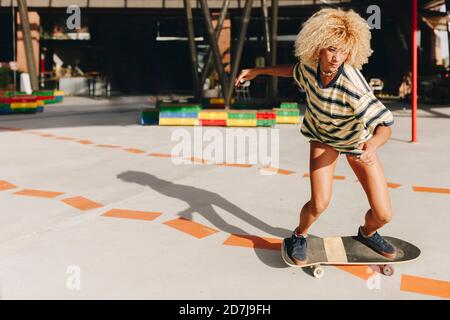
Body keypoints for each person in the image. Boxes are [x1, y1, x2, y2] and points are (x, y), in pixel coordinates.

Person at [235, 8, 397, 265]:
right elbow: (293, 70)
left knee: (384, 214)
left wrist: (372, 146)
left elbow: (385, 124)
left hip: (358, 142)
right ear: (318, 47)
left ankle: (367, 233)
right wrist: (258, 71)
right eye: (332, 49)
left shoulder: (353, 85)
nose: (336, 58)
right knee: (319, 204)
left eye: (343, 51)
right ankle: (299, 235)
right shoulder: (310, 68)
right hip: (323, 139)